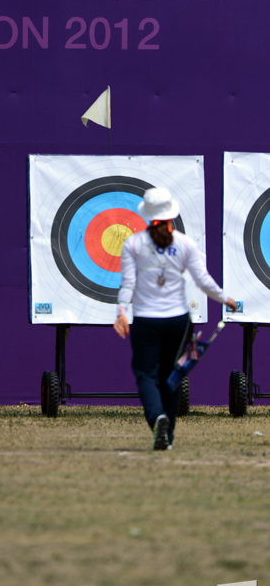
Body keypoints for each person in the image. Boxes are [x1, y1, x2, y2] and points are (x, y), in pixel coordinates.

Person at [113, 187, 237, 450]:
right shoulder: (185, 243)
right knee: (172, 375)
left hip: (146, 321)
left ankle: (157, 417)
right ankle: (167, 437)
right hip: (178, 322)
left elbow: (128, 284)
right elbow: (202, 280)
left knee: (146, 374)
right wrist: (225, 298)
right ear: (171, 214)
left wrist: (121, 312)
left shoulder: (133, 243)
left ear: (148, 215)